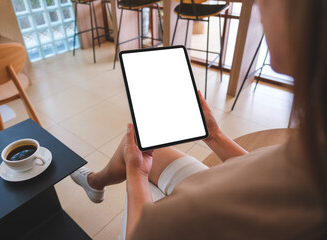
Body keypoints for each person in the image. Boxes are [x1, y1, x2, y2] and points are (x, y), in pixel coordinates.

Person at [71, 0, 327, 238]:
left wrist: (136, 172)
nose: (259, 4)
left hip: (214, 199)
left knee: (137, 151)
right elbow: (271, 177)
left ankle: (97, 181)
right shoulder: (313, 147)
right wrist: (214, 135)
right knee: (151, 147)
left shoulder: (201, 210)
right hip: (238, 184)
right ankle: (95, 182)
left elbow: (142, 233)